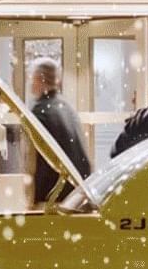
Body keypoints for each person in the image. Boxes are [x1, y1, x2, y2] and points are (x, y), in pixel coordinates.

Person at [28, 58, 92, 204]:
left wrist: (36, 198)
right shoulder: (67, 108)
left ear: (39, 78)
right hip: (75, 195)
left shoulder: (41, 111)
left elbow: (40, 160)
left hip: (54, 195)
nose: (31, 82)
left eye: (32, 77)